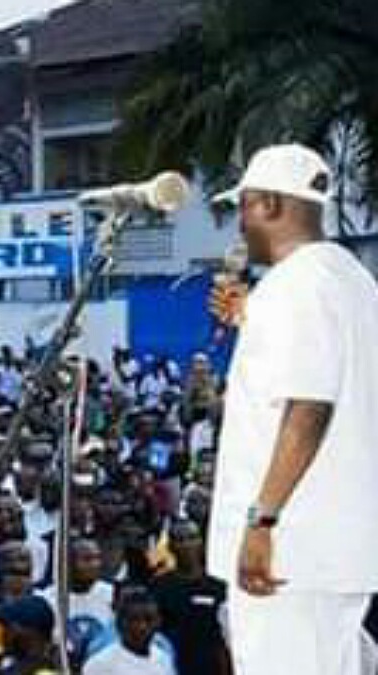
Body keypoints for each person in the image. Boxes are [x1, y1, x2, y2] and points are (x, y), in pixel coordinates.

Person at [208, 143, 378, 675]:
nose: (240, 225)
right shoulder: (349, 278)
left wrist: (264, 521)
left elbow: (309, 408)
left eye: (244, 207)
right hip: (327, 548)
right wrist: (252, 319)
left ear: (271, 205)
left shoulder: (297, 285)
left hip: (290, 552)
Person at [151, 520, 230, 675]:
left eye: (192, 537)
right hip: (172, 667)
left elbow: (224, 639)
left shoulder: (219, 588)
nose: (187, 544)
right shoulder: (158, 586)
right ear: (170, 546)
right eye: (180, 539)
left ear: (201, 542)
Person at [82, 586, 175, 675]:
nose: (142, 627)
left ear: (158, 622)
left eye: (148, 619)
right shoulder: (100, 664)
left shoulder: (163, 659)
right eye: (134, 620)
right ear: (119, 623)